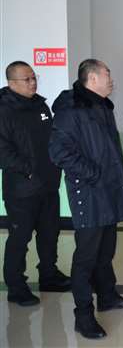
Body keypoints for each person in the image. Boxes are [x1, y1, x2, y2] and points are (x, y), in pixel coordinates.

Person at [49, 59, 123, 339]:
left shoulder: (101, 106)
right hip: (89, 192)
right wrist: (94, 174)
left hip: (108, 190)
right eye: (107, 74)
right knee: (86, 257)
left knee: (106, 251)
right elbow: (59, 152)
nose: (111, 79)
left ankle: (108, 296)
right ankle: (83, 315)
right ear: (92, 78)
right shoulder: (71, 110)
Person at [0, 61, 71, 307]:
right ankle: (16, 286)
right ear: (11, 83)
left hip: (48, 184)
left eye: (34, 78)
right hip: (22, 189)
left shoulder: (40, 105)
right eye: (27, 79)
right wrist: (28, 171)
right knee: (20, 238)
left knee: (50, 233)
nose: (33, 83)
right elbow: (3, 151)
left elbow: (50, 139)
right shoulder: (4, 110)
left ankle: (49, 275)